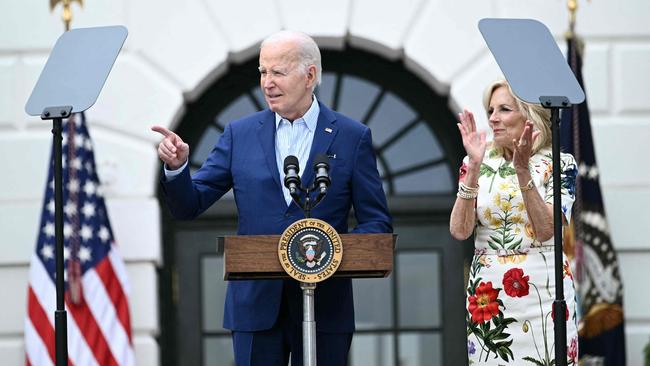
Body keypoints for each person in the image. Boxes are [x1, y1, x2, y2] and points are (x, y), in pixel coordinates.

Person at [152, 30, 392, 366]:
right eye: (263, 72)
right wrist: (177, 169)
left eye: (278, 72)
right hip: (255, 306)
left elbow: (376, 222)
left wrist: (332, 250)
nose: (267, 83)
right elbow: (189, 205)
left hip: (326, 308)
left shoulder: (352, 137)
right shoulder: (240, 134)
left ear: (309, 76)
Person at [449, 79, 579, 365]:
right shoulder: (477, 161)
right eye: (491, 110)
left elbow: (546, 230)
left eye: (504, 109)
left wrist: (522, 171)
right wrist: (472, 171)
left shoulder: (560, 163)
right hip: (489, 296)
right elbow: (459, 231)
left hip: (543, 294)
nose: (493, 118)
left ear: (529, 115)